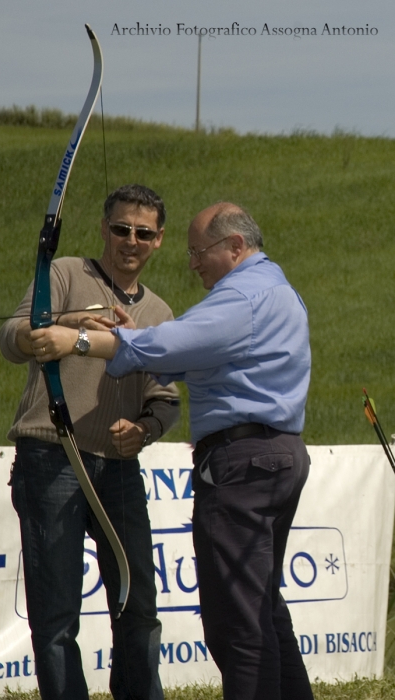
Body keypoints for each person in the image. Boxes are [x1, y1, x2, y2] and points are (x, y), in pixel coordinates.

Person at [31, 202, 314, 700]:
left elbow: (173, 345)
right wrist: (127, 338)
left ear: (235, 247)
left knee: (237, 624)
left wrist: (77, 341)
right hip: (276, 456)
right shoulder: (276, 290)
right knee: (263, 608)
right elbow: (190, 355)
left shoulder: (243, 296)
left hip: (242, 465)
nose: (192, 263)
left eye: (198, 251)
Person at [0, 184, 180, 700]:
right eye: (121, 228)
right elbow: (14, 334)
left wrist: (144, 430)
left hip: (117, 471)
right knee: (56, 617)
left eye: (143, 233)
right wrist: (59, 328)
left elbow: (165, 399)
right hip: (51, 460)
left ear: (159, 241)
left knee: (139, 606)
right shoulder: (65, 274)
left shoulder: (159, 313)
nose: (130, 240)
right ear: (104, 228)